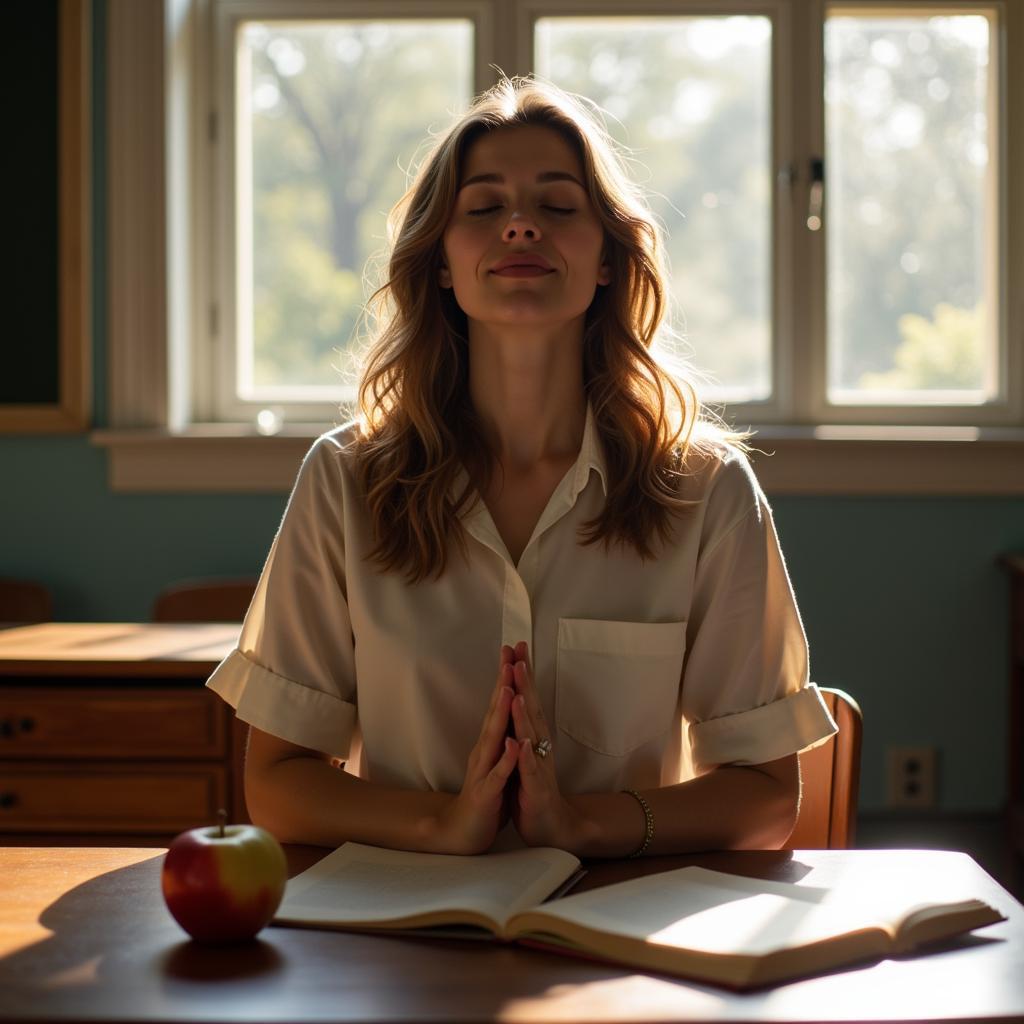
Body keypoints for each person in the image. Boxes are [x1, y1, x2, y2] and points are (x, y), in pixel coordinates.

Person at [205, 75, 837, 858]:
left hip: (617, 937)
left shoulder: (707, 492)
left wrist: (581, 825)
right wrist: (443, 826)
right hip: (400, 941)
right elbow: (277, 782)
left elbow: (767, 799)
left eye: (558, 206)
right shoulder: (344, 481)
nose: (520, 228)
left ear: (607, 259)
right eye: (483, 207)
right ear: (441, 263)